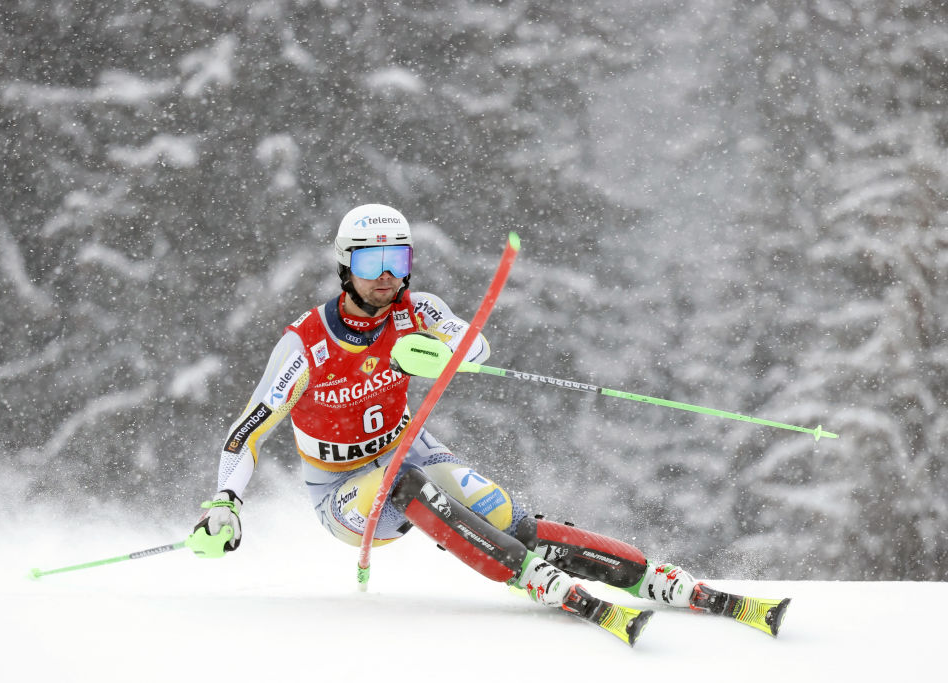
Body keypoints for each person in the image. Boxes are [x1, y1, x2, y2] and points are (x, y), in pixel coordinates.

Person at [188, 203, 790, 646]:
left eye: (397, 260)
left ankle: (652, 577)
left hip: (411, 447)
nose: (386, 276)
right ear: (345, 266)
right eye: (371, 261)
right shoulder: (307, 343)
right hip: (342, 490)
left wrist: (448, 354)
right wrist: (225, 502)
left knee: (511, 519)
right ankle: (532, 579)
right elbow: (250, 429)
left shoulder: (415, 310)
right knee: (403, 486)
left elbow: (471, 345)